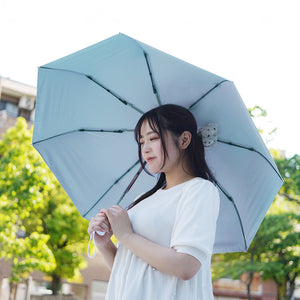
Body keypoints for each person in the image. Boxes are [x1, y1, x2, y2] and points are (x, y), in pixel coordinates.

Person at [88, 104, 220, 300]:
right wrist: (104, 244)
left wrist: (126, 235)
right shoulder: (142, 200)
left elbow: (186, 265)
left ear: (184, 139)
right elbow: (130, 268)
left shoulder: (199, 190)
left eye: (153, 138)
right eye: (142, 142)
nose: (145, 148)